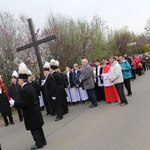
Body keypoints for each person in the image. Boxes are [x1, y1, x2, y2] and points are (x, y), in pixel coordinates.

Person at [9, 63, 46, 149]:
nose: (18, 82)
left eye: (19, 80)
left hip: (30, 112)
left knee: (34, 128)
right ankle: (43, 140)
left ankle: (38, 143)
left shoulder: (24, 89)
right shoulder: (30, 86)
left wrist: (14, 103)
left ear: (22, 80)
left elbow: (24, 103)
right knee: (38, 127)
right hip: (35, 109)